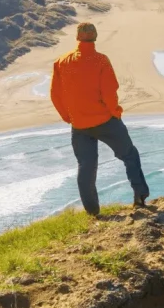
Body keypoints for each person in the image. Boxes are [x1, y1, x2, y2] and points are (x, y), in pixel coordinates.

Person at [50, 21, 150, 215]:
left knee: (86, 166)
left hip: (79, 124)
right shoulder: (101, 60)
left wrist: (68, 117)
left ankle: (93, 212)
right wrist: (115, 113)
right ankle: (140, 196)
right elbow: (109, 92)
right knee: (129, 155)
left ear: (77, 37)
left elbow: (55, 94)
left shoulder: (62, 62)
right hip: (105, 120)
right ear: (95, 37)